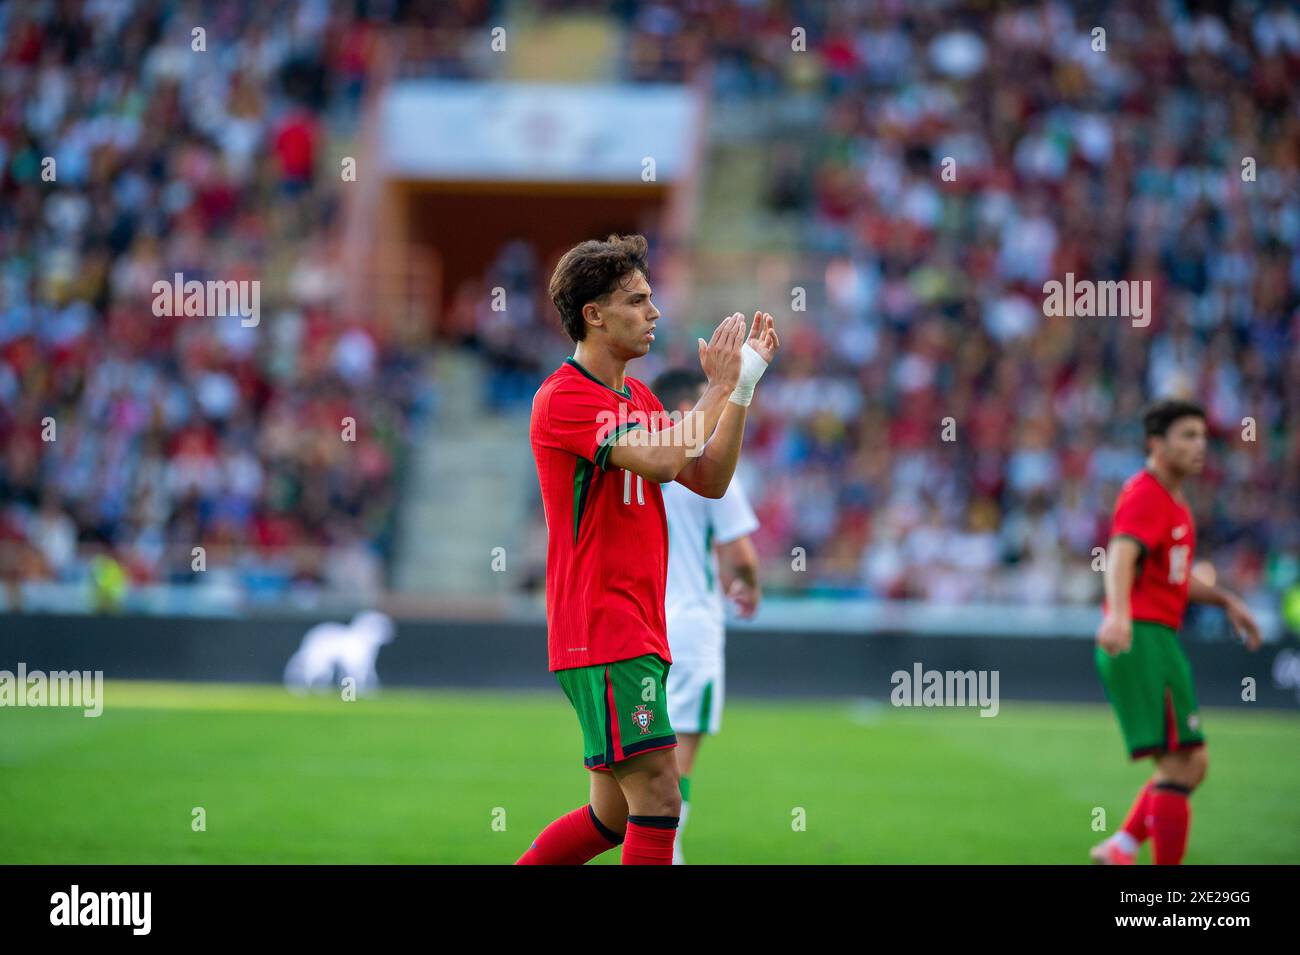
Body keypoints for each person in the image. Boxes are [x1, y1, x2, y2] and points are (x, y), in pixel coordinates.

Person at [519, 234, 779, 865]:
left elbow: (710, 478)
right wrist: (715, 389)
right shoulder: (566, 397)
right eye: (637, 300)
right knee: (660, 800)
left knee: (611, 819)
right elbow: (664, 460)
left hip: (638, 627)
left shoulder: (640, 399)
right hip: (603, 627)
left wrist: (741, 389)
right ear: (594, 315)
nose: (654, 312)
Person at [1090, 400, 1261, 865]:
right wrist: (1120, 615)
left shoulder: (1175, 501)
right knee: (1179, 763)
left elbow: (1175, 579)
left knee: (1190, 762)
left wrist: (1226, 601)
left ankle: (1121, 846)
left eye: (1203, 436)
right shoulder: (1146, 493)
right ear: (1156, 444)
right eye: (1187, 435)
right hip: (1141, 637)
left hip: (1158, 637)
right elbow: (1121, 555)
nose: (1199, 445)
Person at [652, 366, 763, 864]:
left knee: (637, 763)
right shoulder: (711, 460)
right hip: (691, 625)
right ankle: (666, 855)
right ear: (685, 409)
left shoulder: (641, 457)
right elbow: (739, 554)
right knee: (679, 761)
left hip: (639, 626)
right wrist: (750, 588)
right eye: (707, 401)